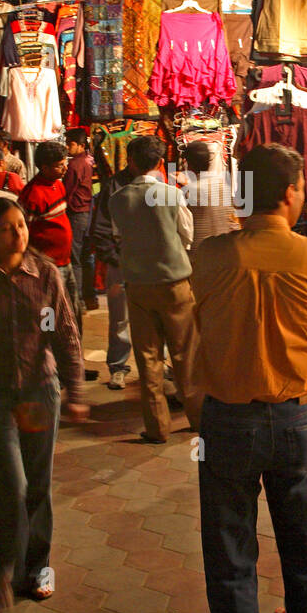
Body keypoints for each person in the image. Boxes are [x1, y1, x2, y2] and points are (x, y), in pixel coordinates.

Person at [190, 143, 307, 613]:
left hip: (227, 420)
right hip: (297, 418)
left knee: (230, 556)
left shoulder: (208, 256)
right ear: (291, 192)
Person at [0, 198, 84, 607]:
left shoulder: (44, 274)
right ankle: (1, 564)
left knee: (38, 487)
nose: (17, 235)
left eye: (21, 226)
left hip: (37, 391)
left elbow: (64, 331)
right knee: (12, 483)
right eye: (6, 229)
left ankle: (37, 568)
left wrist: (76, 388)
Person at [109, 135, 198, 443]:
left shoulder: (118, 199)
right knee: (185, 354)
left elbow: (121, 236)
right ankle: (198, 418)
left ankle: (157, 427)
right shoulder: (171, 195)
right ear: (160, 162)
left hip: (138, 286)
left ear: (131, 163)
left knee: (148, 359)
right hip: (175, 284)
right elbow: (187, 235)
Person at [18, 141, 80, 336]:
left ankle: (73, 356)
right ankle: (50, 358)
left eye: (65, 163)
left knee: (73, 311)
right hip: (47, 267)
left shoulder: (58, 186)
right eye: (60, 165)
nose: (65, 168)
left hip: (65, 262)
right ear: (44, 167)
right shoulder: (32, 194)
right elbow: (23, 232)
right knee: (50, 315)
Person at [88, 158, 134, 390]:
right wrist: (114, 259)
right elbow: (102, 226)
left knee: (156, 317)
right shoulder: (114, 186)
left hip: (151, 262)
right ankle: (118, 367)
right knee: (119, 319)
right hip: (121, 261)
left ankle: (161, 365)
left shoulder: (159, 183)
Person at [182, 139, 237, 258]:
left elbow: (184, 229)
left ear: (188, 164)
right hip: (224, 251)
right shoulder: (224, 186)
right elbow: (232, 221)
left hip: (200, 254)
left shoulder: (189, 191)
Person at [63, 128, 96, 310]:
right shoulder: (87, 160)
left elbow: (67, 191)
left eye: (71, 144)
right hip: (86, 211)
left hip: (77, 213)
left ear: (81, 145)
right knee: (85, 256)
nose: (68, 147)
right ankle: (89, 297)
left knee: (75, 257)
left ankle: (78, 300)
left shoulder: (76, 164)